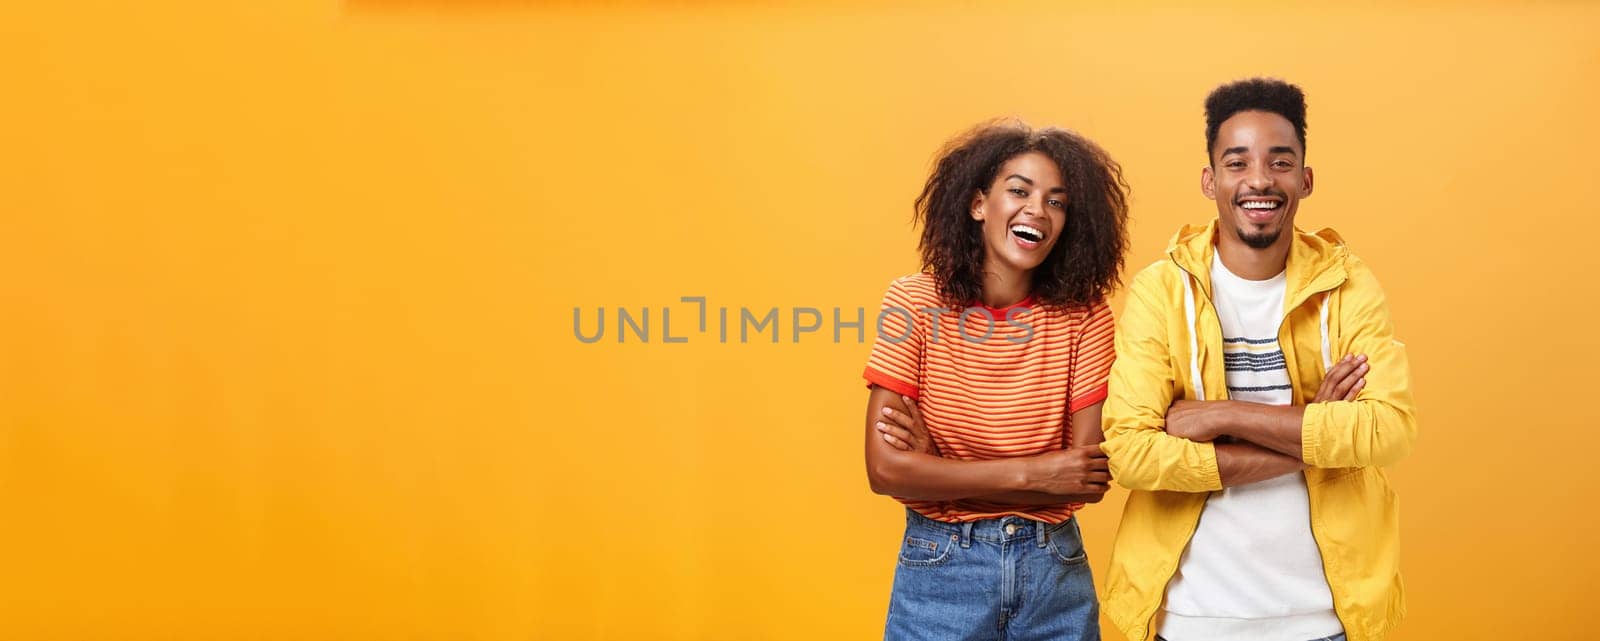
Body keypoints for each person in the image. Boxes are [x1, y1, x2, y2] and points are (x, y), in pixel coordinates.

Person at [1098, 78, 1420, 641]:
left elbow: (1389, 429)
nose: (1259, 181)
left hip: (1324, 618)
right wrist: (1315, 427)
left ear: (1305, 179)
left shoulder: (1347, 283)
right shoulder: (1161, 291)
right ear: (1210, 180)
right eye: (1237, 162)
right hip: (1193, 617)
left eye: (1280, 162)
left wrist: (1222, 415)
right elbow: (1130, 453)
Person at [864, 119, 1130, 640]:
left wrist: (938, 467)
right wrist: (1034, 474)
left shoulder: (1085, 316)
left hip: (1053, 570)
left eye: (1057, 201)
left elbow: (1084, 477)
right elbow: (884, 469)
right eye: (1019, 191)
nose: (1038, 210)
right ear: (978, 203)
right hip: (940, 568)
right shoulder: (913, 303)